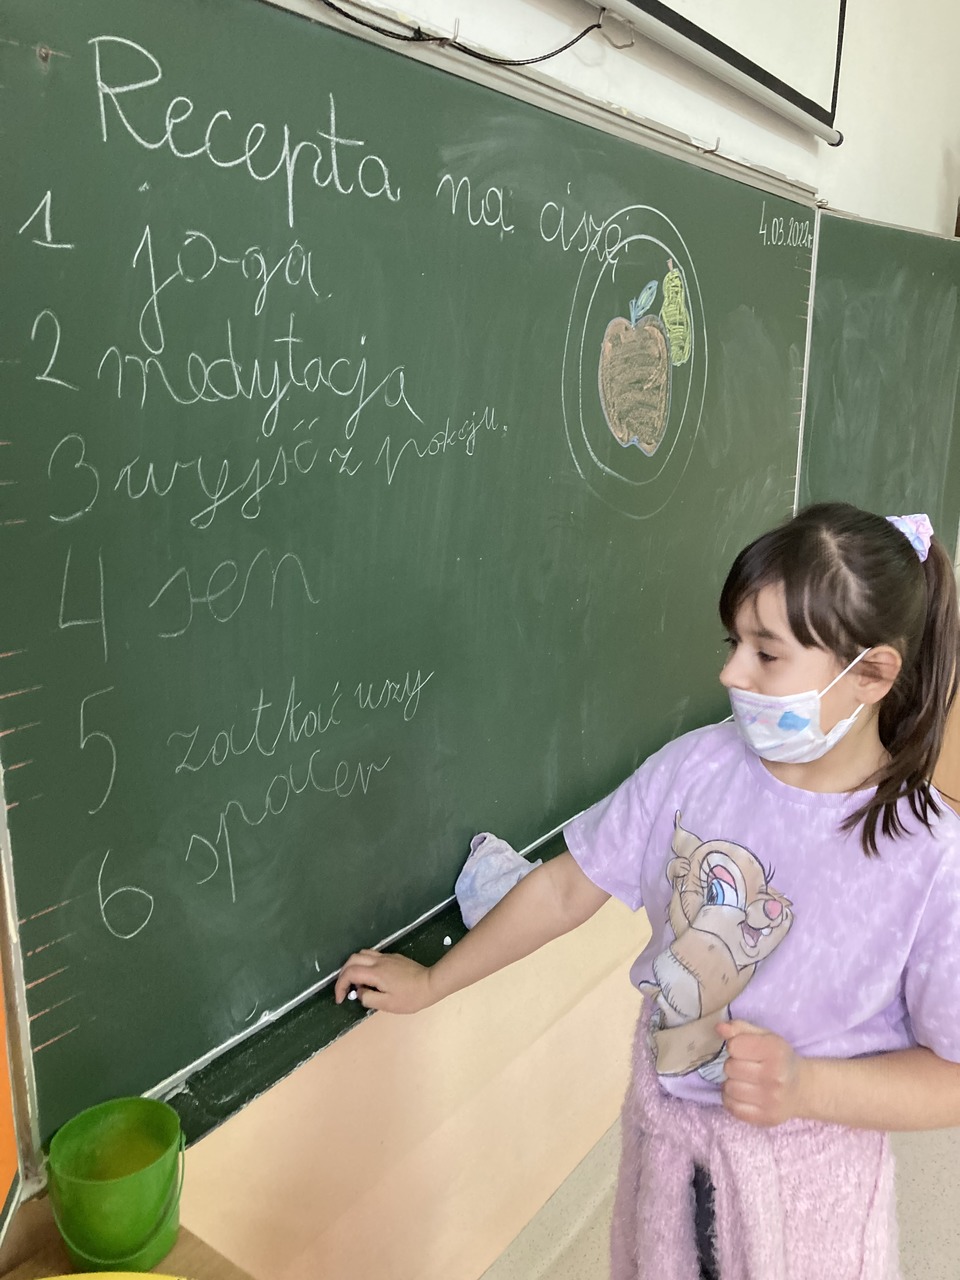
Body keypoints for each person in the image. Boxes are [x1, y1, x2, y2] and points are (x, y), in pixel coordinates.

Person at [335, 503, 960, 1279]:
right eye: (734, 643)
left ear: (870, 673)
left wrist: (808, 1087)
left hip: (805, 1207)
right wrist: (434, 982)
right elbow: (565, 889)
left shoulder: (930, 860)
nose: (731, 674)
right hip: (668, 1165)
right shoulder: (697, 769)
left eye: (766, 654)